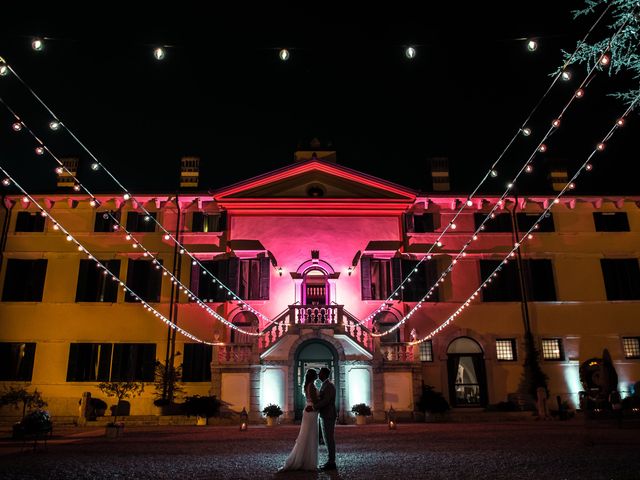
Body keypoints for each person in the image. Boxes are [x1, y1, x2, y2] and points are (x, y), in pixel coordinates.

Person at [279, 369, 319, 471]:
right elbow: (315, 401)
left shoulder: (307, 386)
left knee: (306, 434)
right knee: (310, 435)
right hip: (311, 411)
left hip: (308, 410)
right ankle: (308, 462)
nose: (317, 375)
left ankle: (304, 459)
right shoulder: (312, 386)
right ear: (313, 376)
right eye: (316, 374)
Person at [306, 366, 337, 471]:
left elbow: (326, 401)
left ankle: (332, 462)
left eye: (320, 373)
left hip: (328, 415)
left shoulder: (329, 386)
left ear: (324, 374)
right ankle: (330, 461)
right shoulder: (325, 385)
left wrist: (314, 407)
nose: (319, 375)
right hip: (324, 415)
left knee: (329, 439)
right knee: (326, 438)